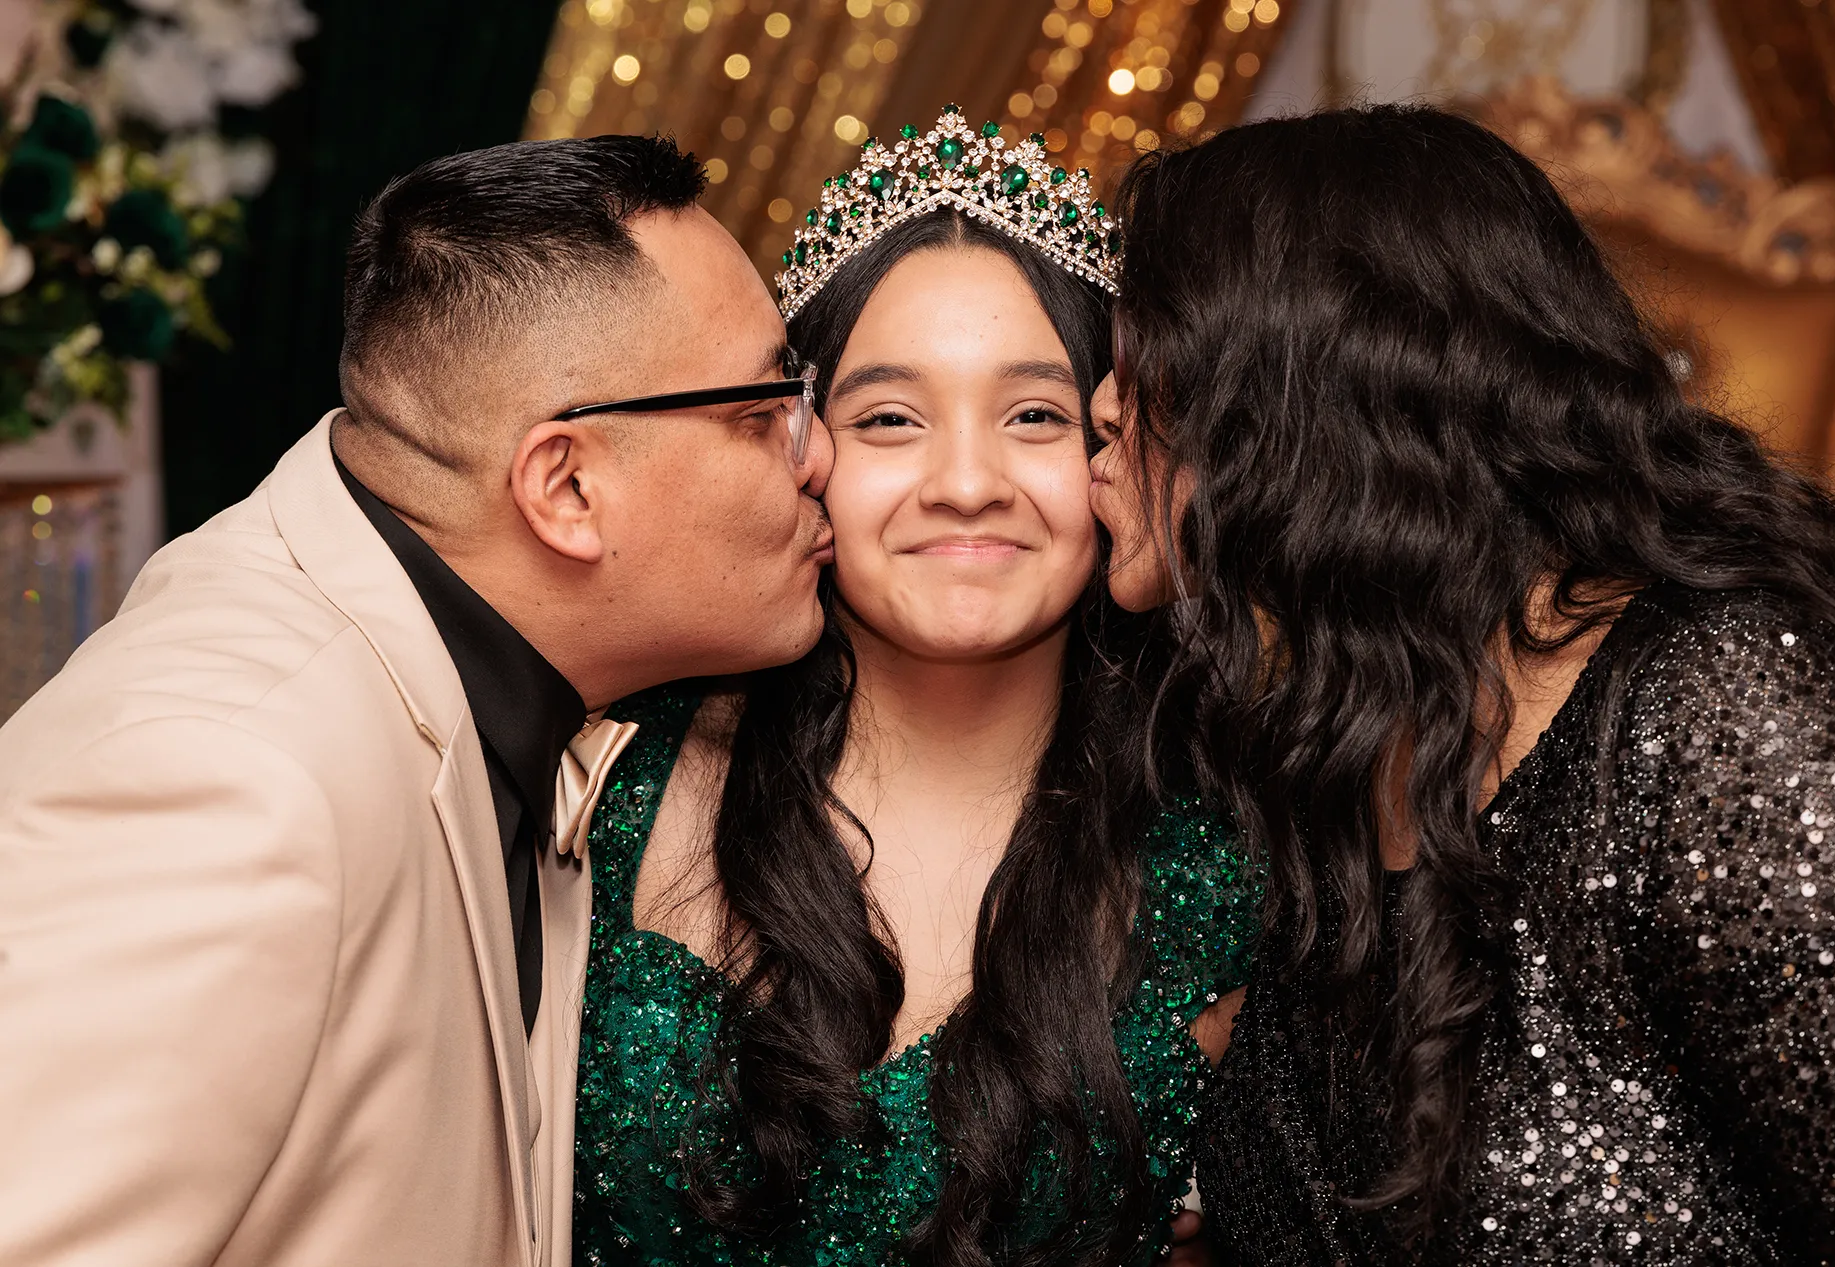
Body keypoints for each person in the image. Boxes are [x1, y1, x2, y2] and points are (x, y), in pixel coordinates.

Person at [0, 136, 834, 1266]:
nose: (819, 452)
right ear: (568, 486)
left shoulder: (490, 672)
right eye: (762, 411)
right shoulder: (231, 779)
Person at [1089, 103, 1835, 1264]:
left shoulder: (1712, 714)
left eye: (1153, 344)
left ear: (1306, 390)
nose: (1105, 402)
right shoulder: (1326, 764)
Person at [568, 110, 1259, 1266]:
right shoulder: (601, 781)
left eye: (1033, 415)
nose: (967, 483)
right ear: (799, 450)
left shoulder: (1242, 854)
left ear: (1118, 446)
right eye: (891, 419)